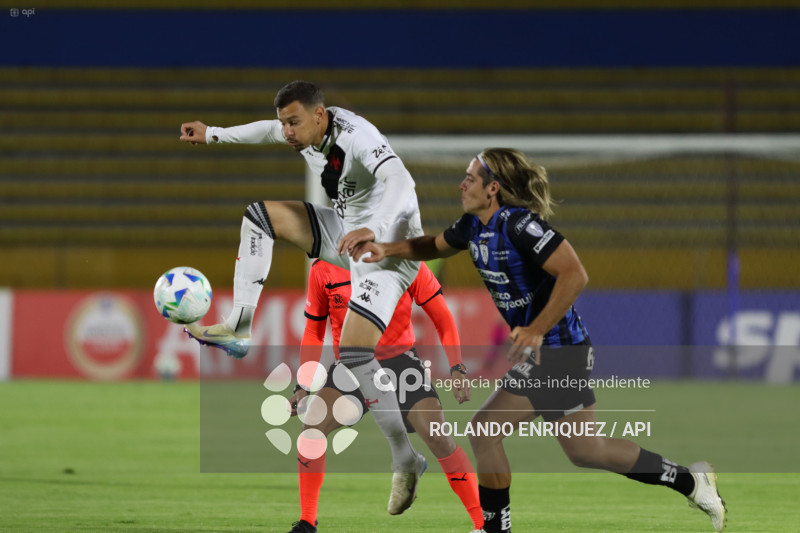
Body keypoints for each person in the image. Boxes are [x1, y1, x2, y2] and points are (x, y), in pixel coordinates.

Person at [351, 148, 728, 533]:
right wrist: (387, 249)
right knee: (584, 450)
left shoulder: (520, 225)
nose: (461, 183)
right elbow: (432, 245)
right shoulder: (472, 226)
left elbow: (575, 274)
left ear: (493, 188)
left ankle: (496, 528)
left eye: (470, 177)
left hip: (560, 352)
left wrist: (535, 329)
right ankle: (690, 481)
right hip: (548, 355)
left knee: (489, 432)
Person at [179, 81, 426, 514]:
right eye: (284, 123)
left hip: (391, 247)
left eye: (293, 122)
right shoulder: (303, 132)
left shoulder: (356, 136)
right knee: (258, 217)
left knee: (353, 354)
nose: (286, 132)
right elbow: (263, 131)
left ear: (320, 115)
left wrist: (376, 228)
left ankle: (405, 458)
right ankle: (239, 326)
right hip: (347, 233)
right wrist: (213, 132)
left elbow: (401, 179)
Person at [286, 259, 484, 533]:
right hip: (351, 365)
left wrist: (457, 365)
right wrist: (302, 386)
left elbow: (442, 317)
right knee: (312, 430)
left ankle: (483, 525)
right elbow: (313, 330)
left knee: (438, 436)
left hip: (399, 363)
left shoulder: (404, 257)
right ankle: (307, 522)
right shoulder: (323, 268)